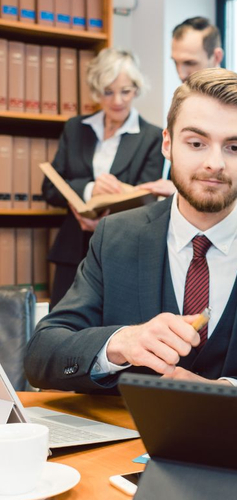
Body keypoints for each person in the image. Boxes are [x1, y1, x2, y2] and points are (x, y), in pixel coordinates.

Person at [26, 68, 237, 393]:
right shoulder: (115, 236)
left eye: (234, 147)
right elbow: (41, 355)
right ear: (168, 145)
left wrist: (226, 391)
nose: (214, 162)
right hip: (129, 439)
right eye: (196, 142)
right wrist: (120, 342)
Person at [43, 48, 164, 307]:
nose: (117, 100)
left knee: (112, 330)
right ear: (97, 91)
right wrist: (89, 190)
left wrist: (113, 202)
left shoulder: (152, 137)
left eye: (126, 91)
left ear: (137, 89)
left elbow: (149, 201)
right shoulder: (76, 128)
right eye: (108, 92)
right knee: (60, 330)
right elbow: (50, 188)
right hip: (73, 248)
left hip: (124, 249)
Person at [166, 16, 237, 203]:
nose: (180, 73)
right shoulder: (182, 101)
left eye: (189, 63)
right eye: (176, 62)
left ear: (216, 57)